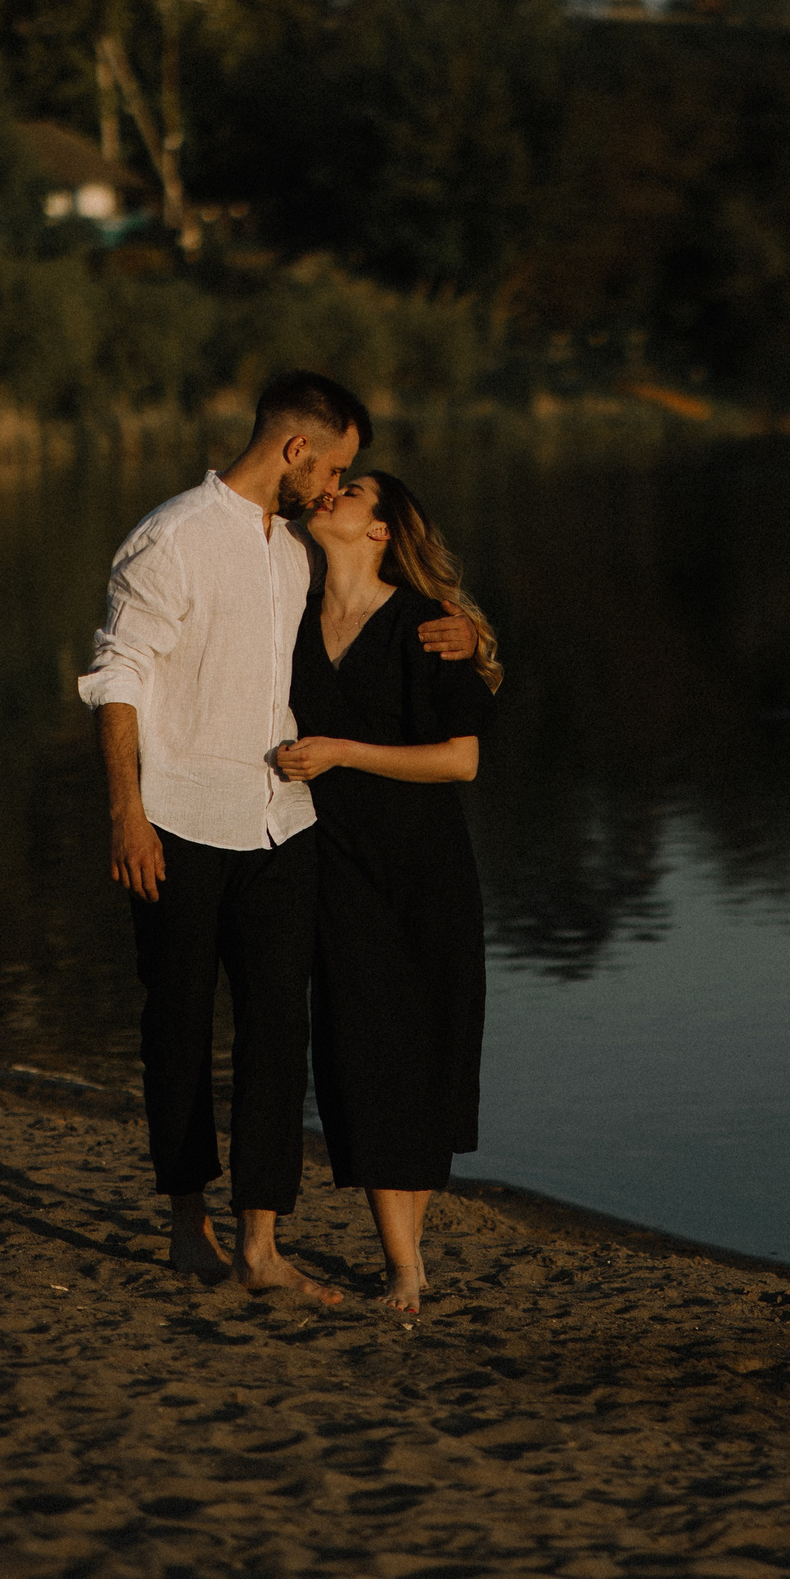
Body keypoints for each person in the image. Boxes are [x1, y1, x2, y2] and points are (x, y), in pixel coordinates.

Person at [79, 372, 471, 1299]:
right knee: (177, 1025)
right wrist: (126, 813)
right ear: (296, 450)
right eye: (333, 468)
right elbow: (117, 673)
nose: (334, 487)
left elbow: (373, 606)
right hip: (179, 819)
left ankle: (260, 1244)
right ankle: (188, 1223)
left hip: (281, 825)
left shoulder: (296, 550)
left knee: (276, 1033)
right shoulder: (171, 536)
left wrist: (461, 629)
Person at [273, 470, 500, 1313]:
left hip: (426, 873)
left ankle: (409, 1258)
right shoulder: (290, 615)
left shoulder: (424, 626)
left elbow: (462, 760)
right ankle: (403, 1263)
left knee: (426, 1058)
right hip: (336, 869)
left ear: (381, 531)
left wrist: (341, 751)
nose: (332, 492)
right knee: (362, 1055)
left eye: (355, 490)